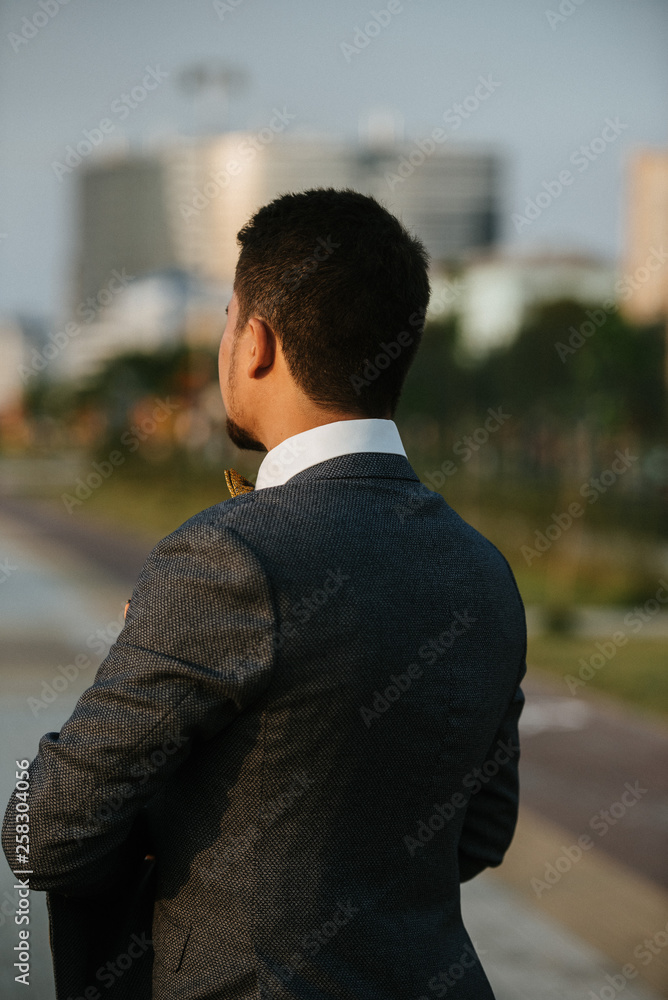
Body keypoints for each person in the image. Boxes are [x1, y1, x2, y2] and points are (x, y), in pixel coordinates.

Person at [2, 188, 526, 999]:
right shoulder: (485, 569)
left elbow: (45, 832)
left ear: (256, 343)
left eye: (226, 319)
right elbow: (480, 833)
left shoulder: (229, 555)